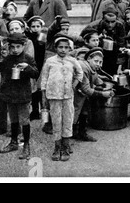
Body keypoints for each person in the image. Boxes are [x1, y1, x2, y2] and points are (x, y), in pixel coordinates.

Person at [0, 33, 39, 160]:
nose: (15, 50)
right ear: (9, 47)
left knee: (24, 120)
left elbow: (36, 73)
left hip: (23, 94)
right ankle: (14, 142)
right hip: (9, 93)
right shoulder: (7, 58)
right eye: (12, 47)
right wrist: (1, 58)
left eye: (18, 47)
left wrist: (27, 68)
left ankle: (26, 145)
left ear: (23, 46)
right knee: (13, 119)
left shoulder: (28, 58)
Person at [40, 33, 83, 162]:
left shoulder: (72, 61)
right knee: (56, 121)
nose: (63, 50)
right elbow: (44, 78)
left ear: (70, 49)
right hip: (53, 95)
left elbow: (80, 73)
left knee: (68, 119)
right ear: (55, 48)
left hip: (68, 96)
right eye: (60, 47)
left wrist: (74, 85)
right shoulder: (50, 61)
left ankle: (66, 146)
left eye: (66, 47)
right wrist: (43, 94)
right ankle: (57, 147)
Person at [74, 47, 114, 142]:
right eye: (96, 61)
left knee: (84, 110)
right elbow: (86, 89)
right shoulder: (83, 68)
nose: (98, 64)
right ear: (88, 59)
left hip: (81, 94)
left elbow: (96, 79)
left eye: (100, 62)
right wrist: (103, 93)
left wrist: (105, 85)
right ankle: (67, 140)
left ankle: (82, 133)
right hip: (74, 93)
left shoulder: (91, 67)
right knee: (73, 114)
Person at [87, 7, 126, 76]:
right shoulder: (94, 26)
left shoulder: (120, 26)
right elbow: (83, 40)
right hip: (96, 54)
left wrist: (120, 65)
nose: (110, 25)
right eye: (107, 22)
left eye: (113, 22)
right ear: (103, 19)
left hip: (114, 56)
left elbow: (122, 45)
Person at [25, 16, 47, 120]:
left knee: (40, 88)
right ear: (29, 27)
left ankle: (43, 110)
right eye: (33, 26)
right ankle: (34, 110)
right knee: (33, 88)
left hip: (42, 63)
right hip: (32, 64)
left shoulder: (43, 37)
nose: (35, 28)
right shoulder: (28, 38)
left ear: (41, 27)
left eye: (38, 26)